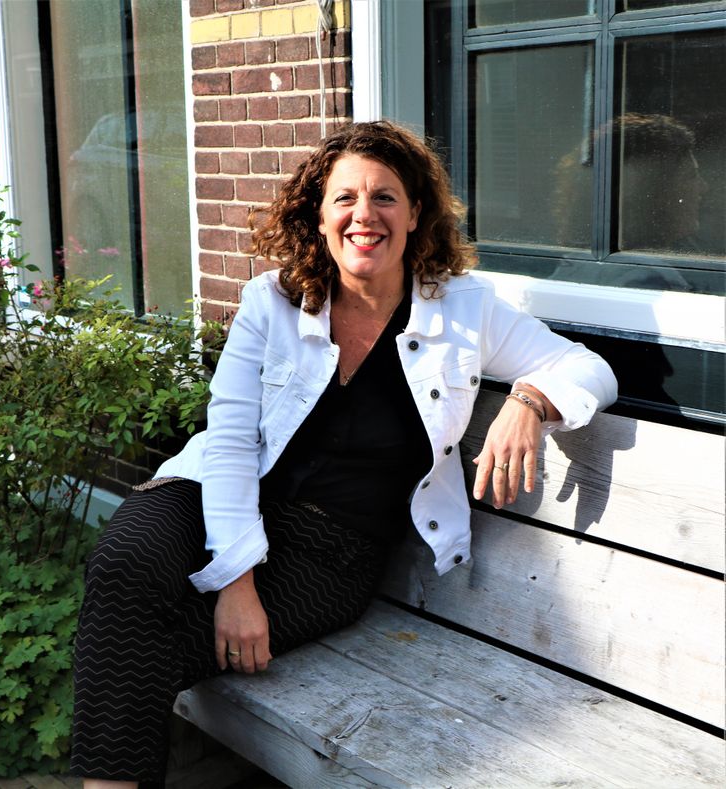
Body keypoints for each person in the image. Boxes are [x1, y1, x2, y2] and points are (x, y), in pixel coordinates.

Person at [70, 120, 617, 788]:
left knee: (139, 644)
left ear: (415, 213)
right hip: (212, 491)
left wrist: (528, 401)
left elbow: (589, 367)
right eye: (345, 198)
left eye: (385, 197)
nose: (365, 215)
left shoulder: (463, 311)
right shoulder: (272, 301)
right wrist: (235, 580)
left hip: (330, 551)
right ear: (319, 216)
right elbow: (232, 436)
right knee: (124, 566)